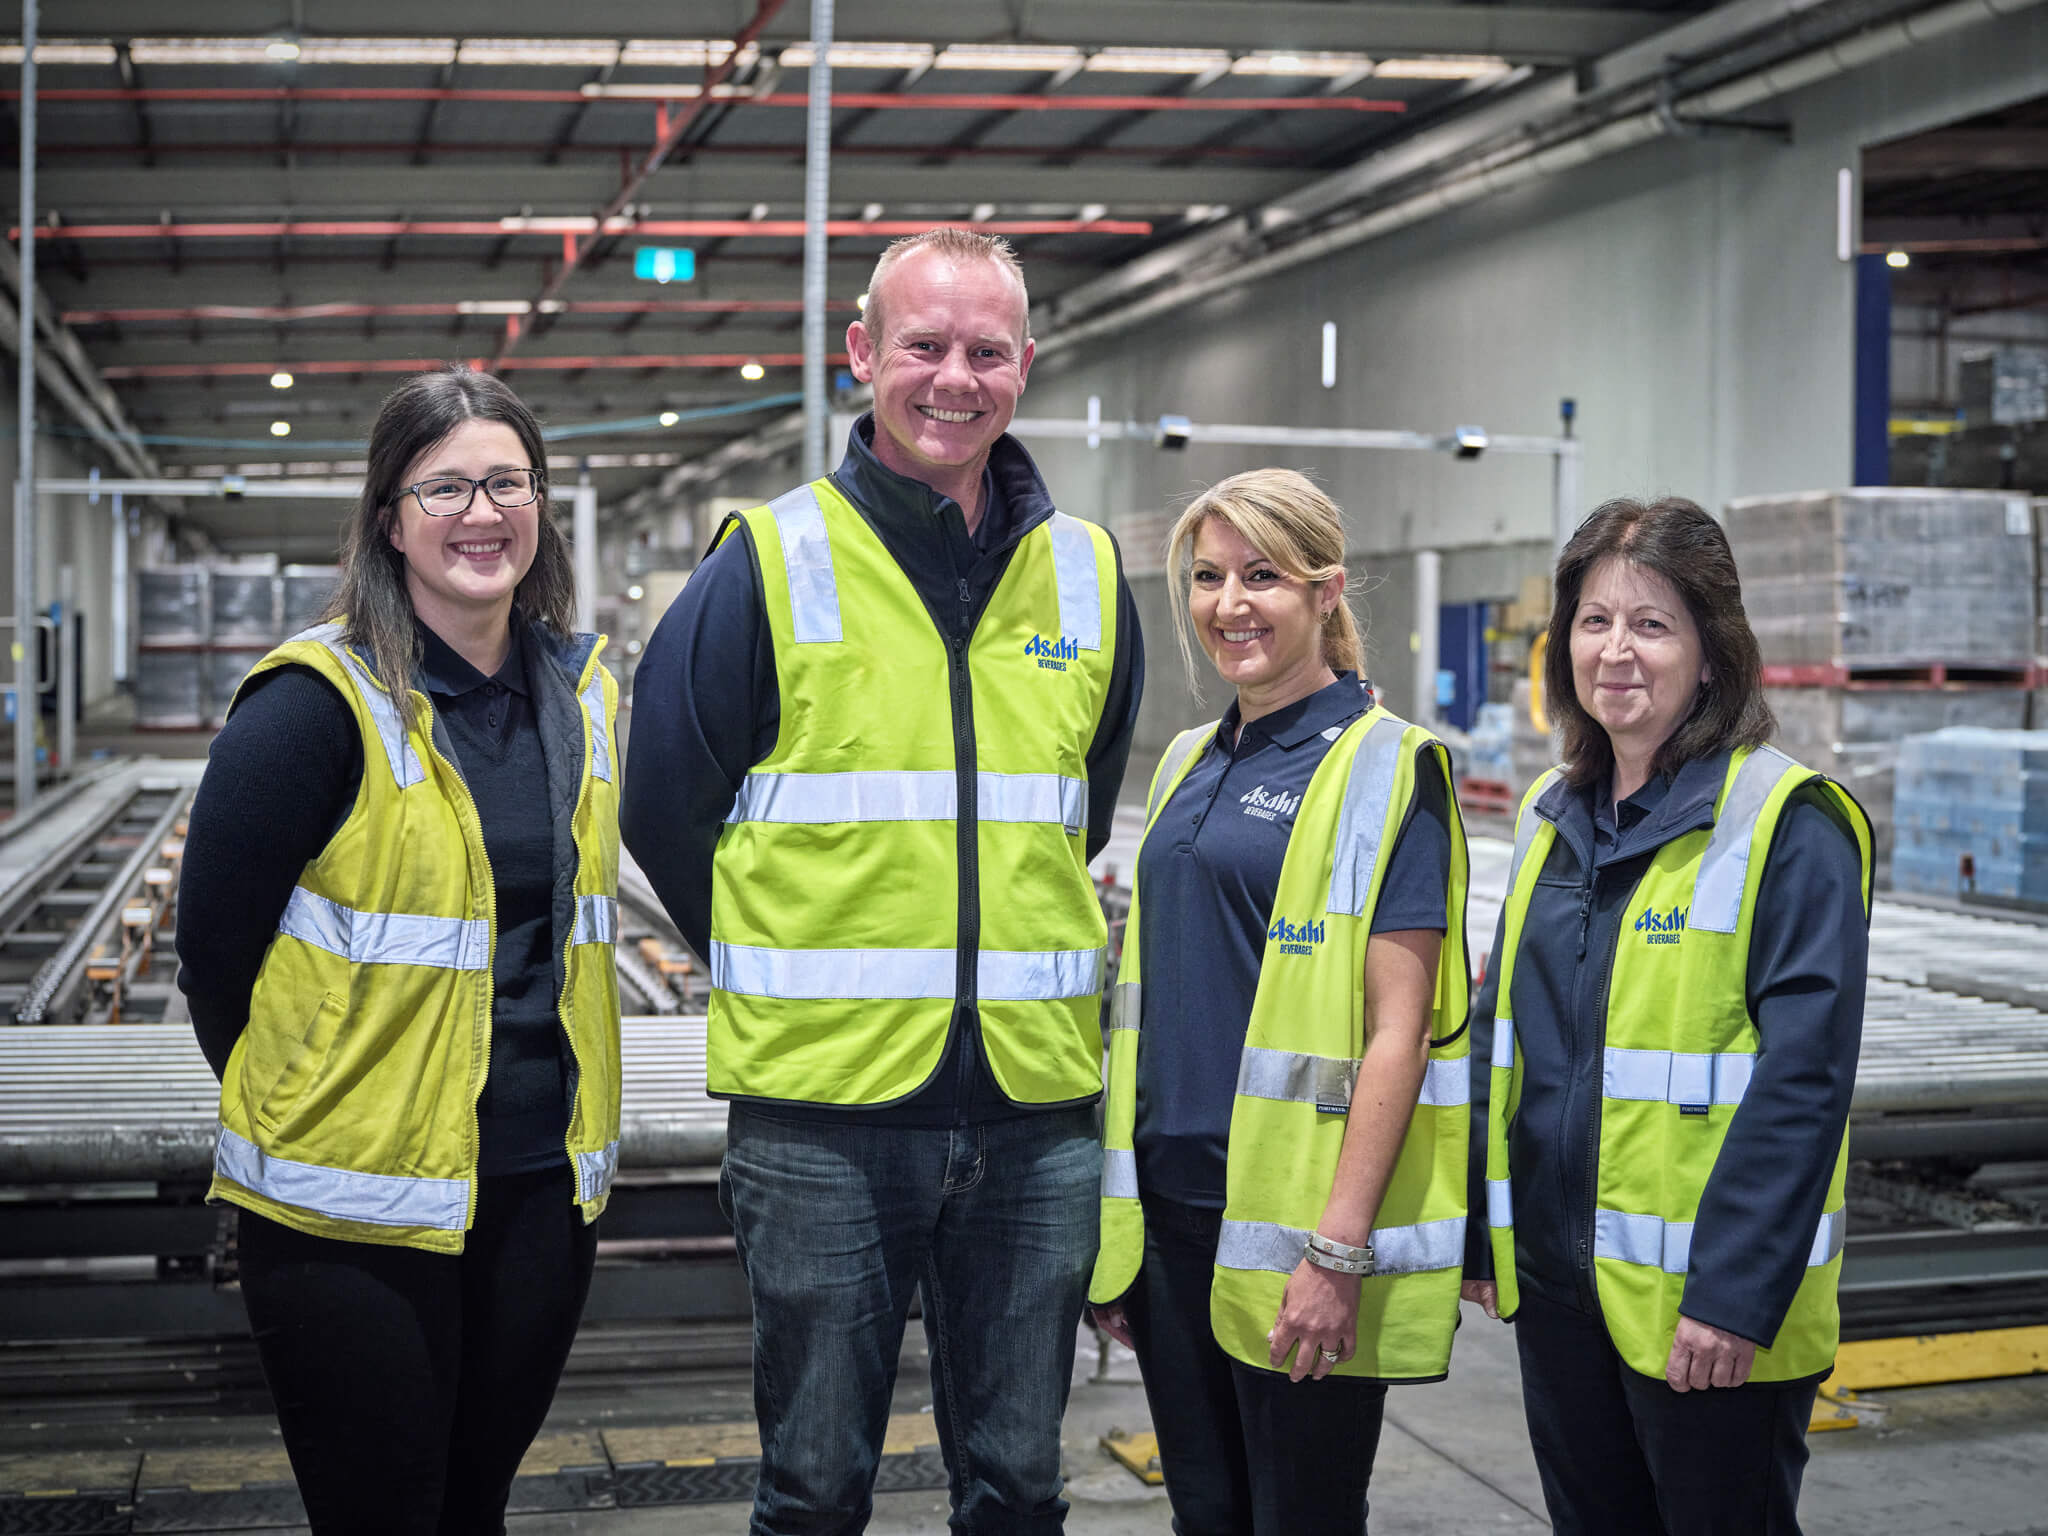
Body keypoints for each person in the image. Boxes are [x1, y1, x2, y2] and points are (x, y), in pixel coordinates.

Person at [622, 228, 1143, 1534]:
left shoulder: (1084, 572)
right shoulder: (771, 559)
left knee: (1022, 1483)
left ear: (1024, 365)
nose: (952, 378)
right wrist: (780, 955)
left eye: (985, 351)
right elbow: (661, 804)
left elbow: (1068, 811)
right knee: (814, 1486)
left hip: (1034, 1111)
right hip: (824, 1118)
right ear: (864, 356)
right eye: (924, 346)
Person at [176, 367, 623, 1535]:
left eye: (508, 482)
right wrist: (319, 1106)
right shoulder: (311, 708)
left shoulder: (579, 697)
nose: (483, 513)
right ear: (390, 517)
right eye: (446, 488)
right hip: (349, 1215)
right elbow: (215, 958)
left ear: (541, 504)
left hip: (532, 1191)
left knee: (473, 1506)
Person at [1461, 496, 1873, 1536]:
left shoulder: (1784, 824)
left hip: (1704, 1318)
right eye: (1593, 622)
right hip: (1560, 1298)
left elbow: (1801, 1086)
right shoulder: (1554, 819)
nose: (1615, 652)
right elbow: (1501, 1038)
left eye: (1651, 625)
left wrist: (1730, 1296)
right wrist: (1479, 1228)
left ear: (1709, 650)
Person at [1088, 468, 1472, 1536]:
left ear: (1324, 590)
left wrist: (1336, 1251)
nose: (1228, 604)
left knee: (1299, 1517)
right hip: (1167, 1218)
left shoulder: (1390, 771)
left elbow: (1401, 1031)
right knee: (1206, 1516)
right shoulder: (1183, 762)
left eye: (1261, 575)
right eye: (1207, 577)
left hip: (1299, 1228)